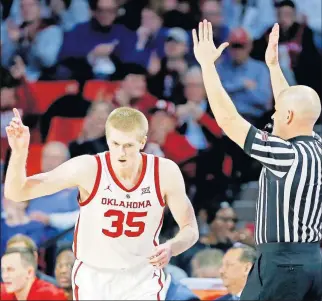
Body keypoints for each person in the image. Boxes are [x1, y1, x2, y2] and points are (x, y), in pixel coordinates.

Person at [4, 106, 199, 300]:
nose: (121, 152)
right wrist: (19, 152)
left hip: (142, 278)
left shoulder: (164, 172)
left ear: (142, 142)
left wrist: (172, 247)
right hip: (94, 279)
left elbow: (190, 229)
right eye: (115, 143)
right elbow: (17, 192)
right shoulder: (88, 168)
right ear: (107, 139)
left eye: (129, 145)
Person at [192, 20, 321, 301]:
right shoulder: (317, 145)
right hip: (313, 261)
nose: (271, 118)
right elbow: (292, 106)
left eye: (276, 114)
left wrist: (207, 67)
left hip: (282, 264)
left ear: (287, 117)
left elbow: (228, 119)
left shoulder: (286, 155)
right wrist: (274, 68)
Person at [1, 248, 66, 300]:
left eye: (10, 269)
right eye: (3, 270)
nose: (4, 276)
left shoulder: (51, 295)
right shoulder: (3, 292)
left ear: (29, 272)